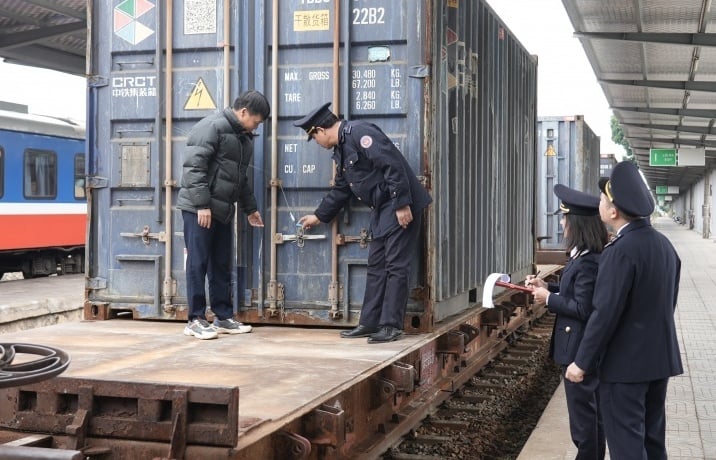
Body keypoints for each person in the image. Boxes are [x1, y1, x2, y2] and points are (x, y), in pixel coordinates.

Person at [565, 161, 683, 459]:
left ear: (614, 211)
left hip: (625, 368)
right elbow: (667, 304)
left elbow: (604, 314)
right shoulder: (664, 246)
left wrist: (581, 363)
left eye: (603, 200)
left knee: (627, 446)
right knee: (653, 442)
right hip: (659, 361)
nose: (600, 205)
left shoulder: (620, 252)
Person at [294, 102, 432, 344]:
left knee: (395, 266)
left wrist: (401, 204)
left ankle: (390, 326)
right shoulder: (341, 150)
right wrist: (319, 216)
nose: (317, 143)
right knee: (376, 265)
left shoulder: (360, 133)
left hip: (399, 204)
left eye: (314, 137)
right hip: (381, 208)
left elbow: (392, 164)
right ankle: (369, 322)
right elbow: (341, 189)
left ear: (321, 130)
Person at [177, 90, 270, 339]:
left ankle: (222, 316)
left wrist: (250, 210)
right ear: (243, 112)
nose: (256, 126)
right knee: (198, 262)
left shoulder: (243, 139)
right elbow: (193, 168)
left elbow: (240, 179)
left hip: (222, 211)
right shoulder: (211, 127)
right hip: (199, 209)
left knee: (220, 263)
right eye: (256, 121)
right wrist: (202, 205)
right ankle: (195, 319)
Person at [527, 184, 607, 460]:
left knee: (584, 422)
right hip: (578, 346)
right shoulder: (584, 257)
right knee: (590, 419)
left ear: (577, 224)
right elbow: (574, 292)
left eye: (565, 219)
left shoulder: (588, 262)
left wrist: (548, 299)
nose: (561, 224)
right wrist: (547, 286)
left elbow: (583, 307)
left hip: (578, 349)